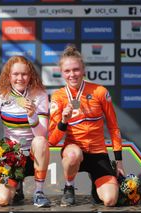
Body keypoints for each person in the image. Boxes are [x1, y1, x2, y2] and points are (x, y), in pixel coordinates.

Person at [48, 44, 125, 207]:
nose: (72, 74)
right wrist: (64, 121)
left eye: (76, 69)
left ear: (83, 70)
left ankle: (96, 185)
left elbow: (113, 127)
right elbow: (52, 141)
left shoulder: (100, 91)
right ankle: (69, 188)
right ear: (61, 73)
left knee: (110, 200)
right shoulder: (58, 96)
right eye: (67, 71)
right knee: (73, 155)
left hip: (98, 153)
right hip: (74, 151)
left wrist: (119, 161)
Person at [0, 56, 51, 207]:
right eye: (16, 74)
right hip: (12, 156)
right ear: (9, 76)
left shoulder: (40, 95)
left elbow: (41, 135)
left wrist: (32, 116)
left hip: (33, 155)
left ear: (31, 76)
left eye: (24, 74)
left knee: (40, 142)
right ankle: (17, 185)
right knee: (2, 200)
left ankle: (39, 192)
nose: (20, 78)